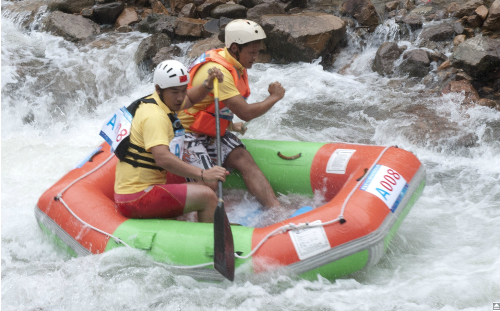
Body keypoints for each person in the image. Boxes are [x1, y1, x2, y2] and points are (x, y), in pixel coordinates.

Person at [177, 19, 286, 209]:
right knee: (210, 183)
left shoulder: (233, 62)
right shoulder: (220, 71)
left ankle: (275, 210)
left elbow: (215, 104)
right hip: (185, 132)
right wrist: (274, 97)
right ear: (235, 48)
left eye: (257, 51)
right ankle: (183, 208)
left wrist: (229, 124)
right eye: (252, 53)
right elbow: (245, 112)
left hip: (208, 130)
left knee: (242, 157)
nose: (256, 57)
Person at [113, 60, 228, 223]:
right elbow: (162, 158)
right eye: (175, 92)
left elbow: (190, 99)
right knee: (208, 196)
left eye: (183, 90)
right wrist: (203, 173)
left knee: (205, 183)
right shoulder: (156, 117)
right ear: (159, 89)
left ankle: (201, 220)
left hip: (137, 188)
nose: (180, 97)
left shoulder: (156, 101)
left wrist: (208, 85)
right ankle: (208, 242)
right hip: (137, 197)